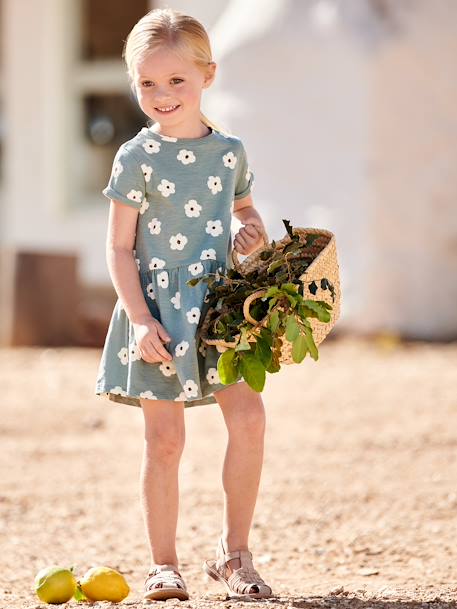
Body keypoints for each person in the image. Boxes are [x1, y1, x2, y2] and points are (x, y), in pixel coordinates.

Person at [94, 7, 273, 602]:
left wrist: (254, 236)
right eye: (147, 82)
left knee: (249, 419)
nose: (162, 94)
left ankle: (235, 555)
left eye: (176, 81)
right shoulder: (135, 156)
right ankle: (163, 565)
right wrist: (141, 319)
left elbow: (245, 214)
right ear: (133, 82)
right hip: (158, 312)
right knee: (164, 441)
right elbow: (119, 248)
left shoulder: (230, 153)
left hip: (221, 309)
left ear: (207, 76)